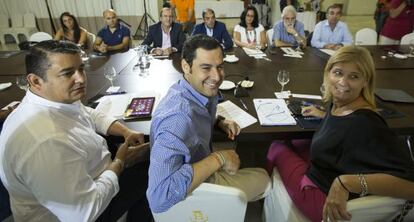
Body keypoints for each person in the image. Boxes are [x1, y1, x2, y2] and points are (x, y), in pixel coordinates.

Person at [0, 40, 152, 222]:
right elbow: (84, 213)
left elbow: (88, 113)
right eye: (68, 73)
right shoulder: (44, 142)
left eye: (81, 68)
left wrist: (125, 131)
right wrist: (120, 162)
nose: (81, 78)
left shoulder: (54, 99)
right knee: (152, 170)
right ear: (35, 81)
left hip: (94, 175)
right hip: (84, 211)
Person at [265, 46, 414, 222]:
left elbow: (410, 185)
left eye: (354, 76)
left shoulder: (366, 124)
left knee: (277, 145)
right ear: (328, 73)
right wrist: (323, 115)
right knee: (296, 140)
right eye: (338, 73)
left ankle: (265, 198)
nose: (343, 82)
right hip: (327, 169)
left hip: (323, 199)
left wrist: (346, 183)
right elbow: (341, 123)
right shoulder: (339, 103)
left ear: (366, 81)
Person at [147, 35, 270, 213]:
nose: (217, 76)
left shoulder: (197, 91)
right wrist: (219, 159)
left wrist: (218, 121)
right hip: (195, 186)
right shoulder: (177, 119)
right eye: (206, 68)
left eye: (220, 67)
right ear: (185, 66)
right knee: (265, 178)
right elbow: (159, 197)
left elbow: (197, 117)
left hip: (201, 162)